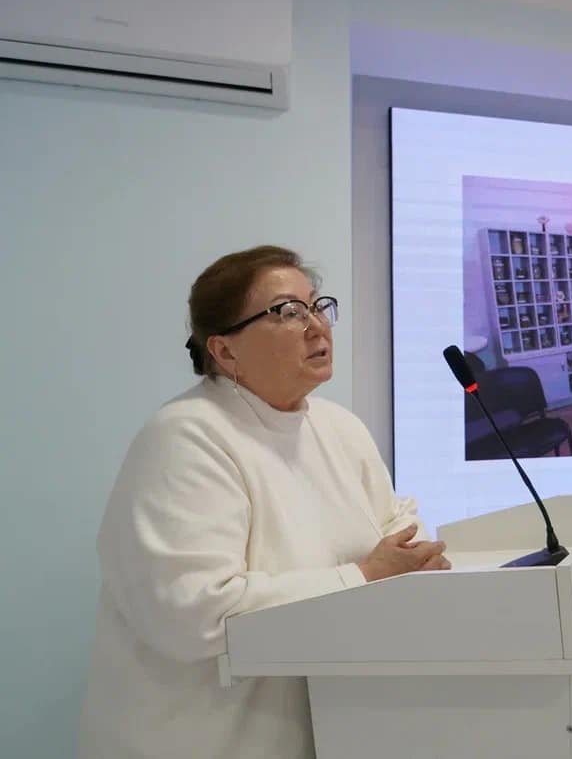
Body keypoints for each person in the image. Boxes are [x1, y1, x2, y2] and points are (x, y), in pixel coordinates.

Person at [79, 246, 450, 758]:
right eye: (288, 312)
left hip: (333, 727)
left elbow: (398, 527)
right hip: (205, 741)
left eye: (317, 306)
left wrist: (413, 564)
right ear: (225, 351)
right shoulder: (186, 438)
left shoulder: (339, 427)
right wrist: (363, 578)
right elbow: (195, 613)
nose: (317, 326)